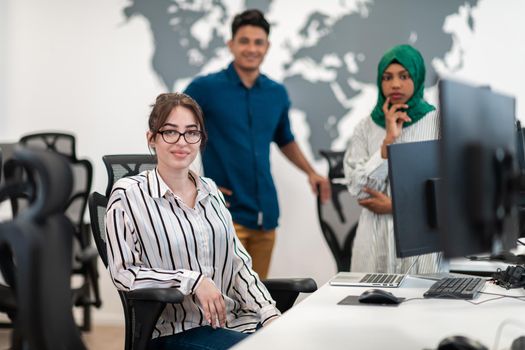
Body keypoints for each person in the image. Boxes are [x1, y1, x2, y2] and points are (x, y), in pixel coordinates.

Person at [105, 93, 280, 350]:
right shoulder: (129, 194)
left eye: (191, 132)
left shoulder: (211, 191)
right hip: (175, 332)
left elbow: (238, 264)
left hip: (232, 323)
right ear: (151, 139)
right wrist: (192, 280)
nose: (182, 142)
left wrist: (269, 312)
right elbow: (124, 273)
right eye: (170, 132)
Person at [184, 9, 330, 279]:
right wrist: (189, 180)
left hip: (266, 214)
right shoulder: (205, 88)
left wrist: (311, 172)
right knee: (224, 301)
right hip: (224, 214)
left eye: (258, 42)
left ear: (267, 46)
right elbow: (176, 130)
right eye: (244, 41)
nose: (251, 48)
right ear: (231, 45)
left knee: (257, 301)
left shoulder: (276, 93)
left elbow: (285, 139)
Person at [343, 44, 444, 274]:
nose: (395, 84)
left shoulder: (438, 124)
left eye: (404, 76)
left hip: (422, 244)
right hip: (374, 242)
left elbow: (449, 192)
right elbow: (359, 189)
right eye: (387, 77)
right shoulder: (365, 127)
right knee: (370, 306)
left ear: (417, 77)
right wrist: (388, 141)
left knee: (423, 305)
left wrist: (397, 206)